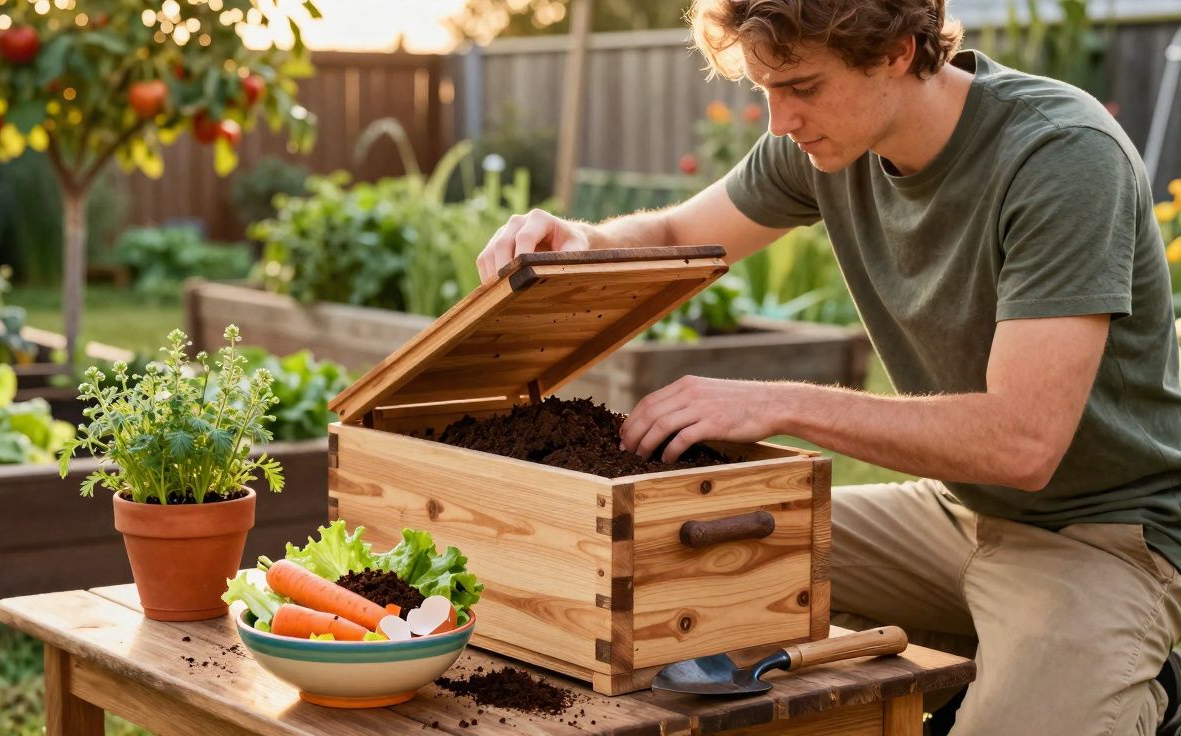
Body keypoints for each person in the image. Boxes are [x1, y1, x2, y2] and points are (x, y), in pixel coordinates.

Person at [474, 0, 1181, 733]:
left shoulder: (1060, 156)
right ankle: (991, 655)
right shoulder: (826, 143)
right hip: (958, 513)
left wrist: (779, 403)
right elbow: (680, 233)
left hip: (1108, 536)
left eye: (802, 88)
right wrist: (582, 243)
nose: (780, 120)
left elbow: (1024, 442)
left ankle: (1140, 682)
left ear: (898, 51)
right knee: (677, 565)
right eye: (766, 90)